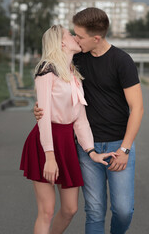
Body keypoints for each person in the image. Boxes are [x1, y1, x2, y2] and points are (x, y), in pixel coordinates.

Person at [34, 7, 144, 234]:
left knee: (123, 210)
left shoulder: (121, 61)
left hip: (117, 145)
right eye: (72, 34)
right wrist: (40, 110)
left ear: (96, 38)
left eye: (79, 36)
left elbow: (137, 108)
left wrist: (125, 149)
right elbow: (54, 92)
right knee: (94, 211)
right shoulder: (76, 59)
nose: (75, 39)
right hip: (84, 147)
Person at [20, 24, 115, 234]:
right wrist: (50, 156)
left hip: (67, 142)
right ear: (61, 42)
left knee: (70, 209)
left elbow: (80, 119)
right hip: (46, 142)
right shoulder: (47, 70)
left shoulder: (73, 73)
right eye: (70, 35)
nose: (74, 37)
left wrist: (91, 151)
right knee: (46, 211)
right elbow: (43, 117)